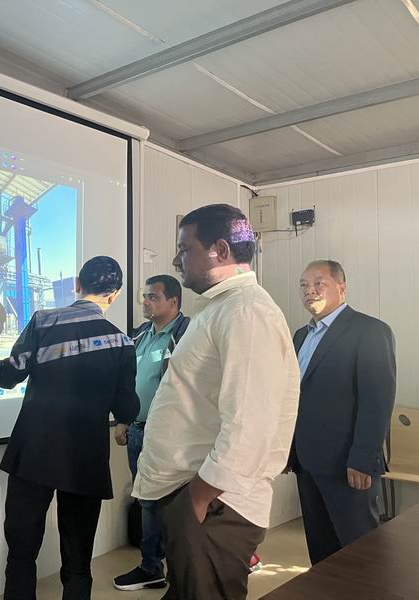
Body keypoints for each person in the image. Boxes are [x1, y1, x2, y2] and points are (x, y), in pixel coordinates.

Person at [134, 204, 300, 600]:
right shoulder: (222, 308)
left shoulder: (246, 312)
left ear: (220, 250)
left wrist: (198, 498)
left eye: (184, 249)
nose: (176, 260)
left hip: (214, 505)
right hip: (202, 500)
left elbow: (251, 421)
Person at [0, 256, 139, 600]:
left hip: (34, 454)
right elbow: (126, 405)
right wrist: (123, 418)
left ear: (78, 284)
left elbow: (8, 375)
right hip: (85, 460)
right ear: (115, 294)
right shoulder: (122, 342)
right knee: (78, 559)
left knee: (21, 552)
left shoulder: (44, 321)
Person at [290, 260, 396, 565]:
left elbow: (377, 401)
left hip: (348, 464)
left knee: (359, 549)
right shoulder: (301, 336)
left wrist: (363, 458)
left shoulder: (369, 331)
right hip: (307, 462)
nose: (309, 290)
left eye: (318, 283)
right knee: (321, 549)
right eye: (303, 285)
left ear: (341, 287)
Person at [113, 275, 189, 592]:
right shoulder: (141, 334)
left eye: (153, 297)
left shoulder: (187, 334)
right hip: (137, 431)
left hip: (171, 434)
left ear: (174, 301)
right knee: (146, 500)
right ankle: (152, 567)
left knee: (174, 502)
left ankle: (183, 567)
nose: (146, 302)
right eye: (144, 296)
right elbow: (129, 380)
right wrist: (123, 419)